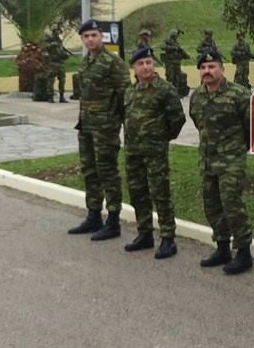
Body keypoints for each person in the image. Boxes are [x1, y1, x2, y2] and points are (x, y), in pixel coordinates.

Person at [189, 49, 254, 274]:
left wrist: (239, 148)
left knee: (232, 204)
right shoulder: (197, 96)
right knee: (212, 205)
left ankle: (244, 252)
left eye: (212, 66)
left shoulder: (239, 94)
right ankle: (222, 247)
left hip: (231, 160)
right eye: (203, 68)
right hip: (208, 159)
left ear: (222, 69)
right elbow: (198, 122)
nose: (207, 71)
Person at [122, 46, 188, 259]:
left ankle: (168, 238)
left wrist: (161, 137)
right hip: (133, 151)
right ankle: (145, 233)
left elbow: (177, 119)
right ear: (134, 67)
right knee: (138, 192)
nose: (145, 67)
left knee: (161, 193)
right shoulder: (130, 91)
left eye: (148, 62)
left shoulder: (165, 89)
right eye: (140, 63)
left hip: (155, 152)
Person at [66, 19, 127, 241]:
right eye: (86, 36)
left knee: (107, 171)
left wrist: (118, 122)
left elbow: (124, 94)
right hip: (86, 125)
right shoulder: (86, 62)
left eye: (94, 35)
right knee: (90, 171)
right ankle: (93, 216)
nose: (90, 39)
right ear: (82, 39)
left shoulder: (113, 62)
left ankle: (113, 220)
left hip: (106, 127)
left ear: (101, 36)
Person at [42, 30, 72, 103]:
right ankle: (50, 97)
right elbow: (45, 47)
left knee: (62, 81)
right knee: (50, 81)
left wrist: (66, 55)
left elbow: (63, 54)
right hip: (52, 64)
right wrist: (53, 44)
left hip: (60, 64)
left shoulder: (60, 44)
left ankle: (62, 97)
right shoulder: (50, 43)